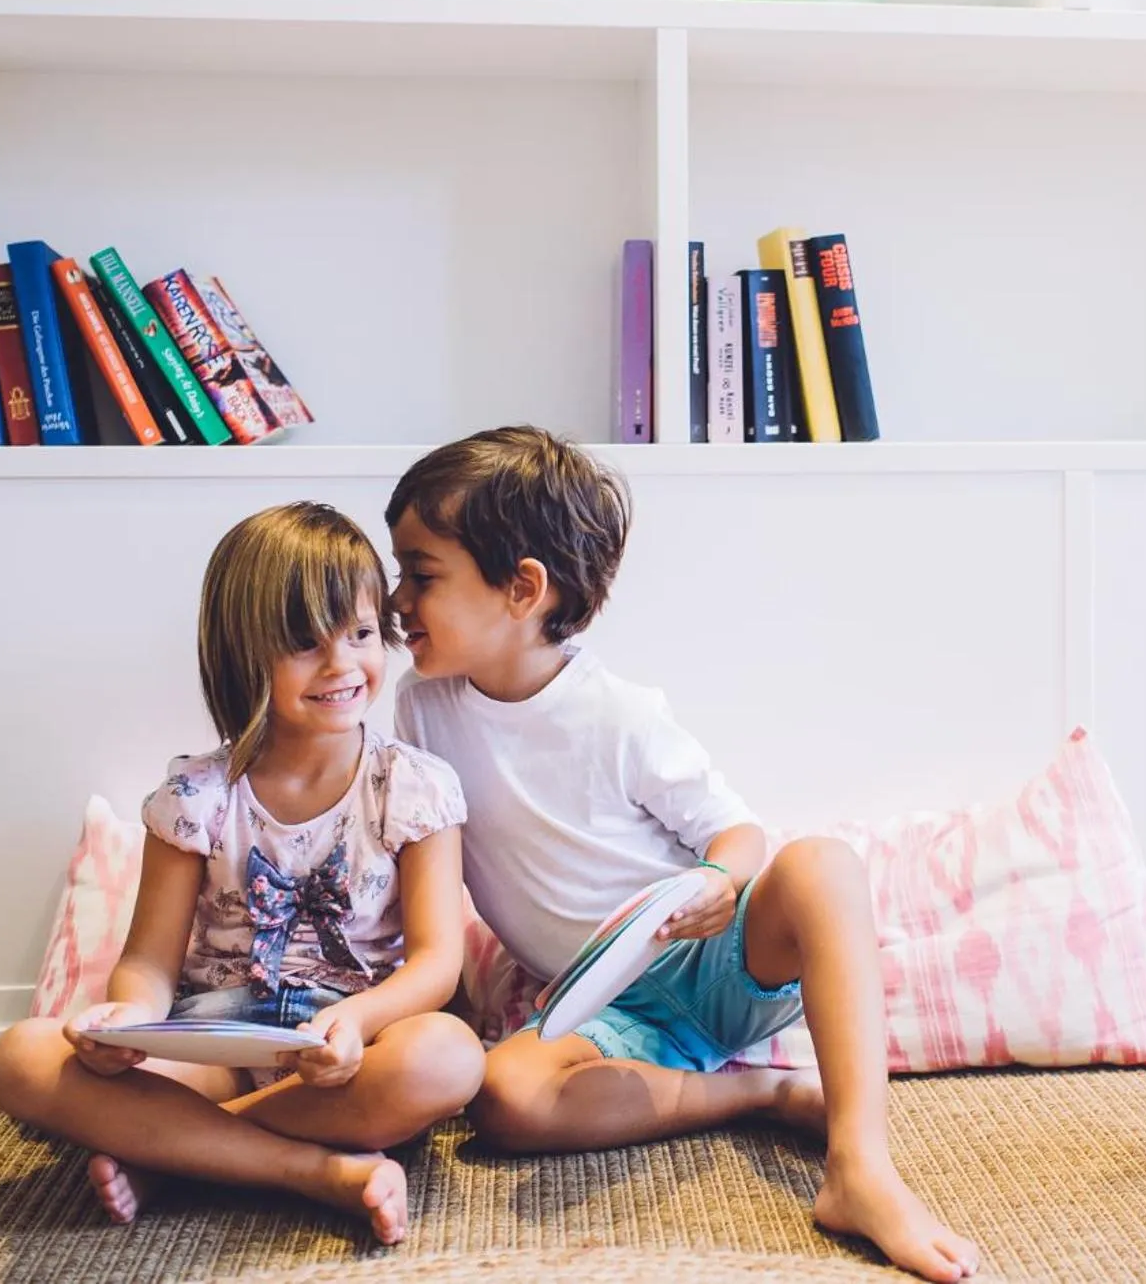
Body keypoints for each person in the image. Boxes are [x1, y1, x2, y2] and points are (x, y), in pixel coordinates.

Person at [386, 427, 979, 1282]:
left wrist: (717, 878)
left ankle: (862, 1164)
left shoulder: (617, 713)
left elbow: (737, 834)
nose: (396, 600)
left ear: (522, 589)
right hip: (610, 1011)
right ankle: (761, 1092)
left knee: (822, 864)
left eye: (422, 574)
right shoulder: (422, 709)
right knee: (505, 1097)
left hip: (712, 957)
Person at [0, 502, 485, 1244]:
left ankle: (181, 1153)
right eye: (304, 643)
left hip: (350, 1051)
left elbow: (438, 960)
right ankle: (314, 1172)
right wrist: (127, 1019)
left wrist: (354, 1021)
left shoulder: (414, 787)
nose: (343, 663)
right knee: (21, 1058)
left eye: (361, 633)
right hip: (211, 1045)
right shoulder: (196, 798)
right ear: (244, 652)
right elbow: (149, 960)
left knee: (448, 1058)